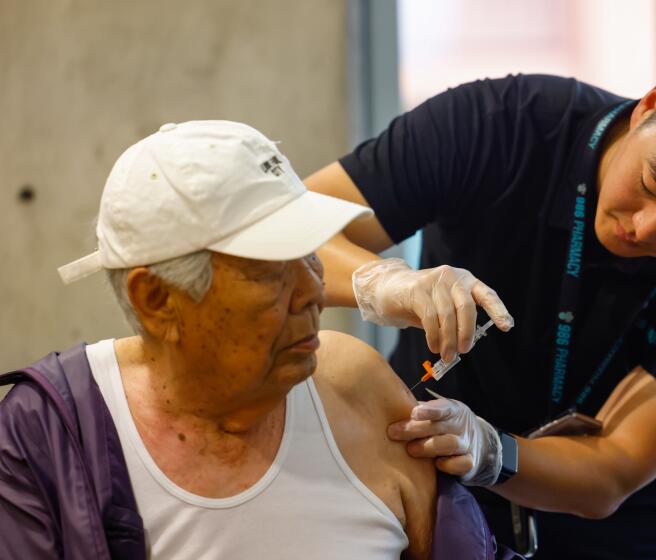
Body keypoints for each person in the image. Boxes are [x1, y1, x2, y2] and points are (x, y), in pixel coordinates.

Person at [304, 40, 656, 558]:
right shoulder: (499, 124)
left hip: (612, 523)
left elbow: (613, 469)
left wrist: (492, 451)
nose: (646, 229)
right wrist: (384, 282)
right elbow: (287, 232)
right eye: (652, 185)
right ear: (647, 108)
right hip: (428, 480)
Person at [0, 120, 516, 560]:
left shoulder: (357, 390)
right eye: (270, 272)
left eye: (311, 254)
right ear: (157, 300)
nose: (315, 292)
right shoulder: (50, 436)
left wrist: (495, 456)